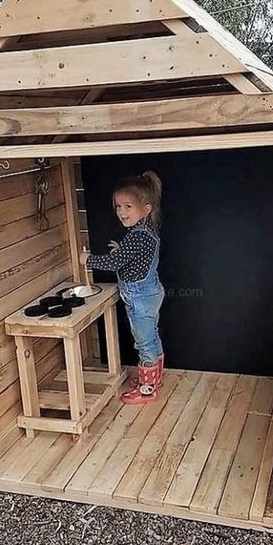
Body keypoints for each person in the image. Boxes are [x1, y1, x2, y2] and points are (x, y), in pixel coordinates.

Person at [80, 171, 165, 405]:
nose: (121, 212)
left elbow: (115, 263)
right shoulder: (144, 232)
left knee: (144, 341)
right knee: (152, 336)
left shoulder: (136, 237)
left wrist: (88, 260)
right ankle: (155, 377)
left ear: (146, 208)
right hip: (150, 292)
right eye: (118, 206)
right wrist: (122, 249)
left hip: (140, 296)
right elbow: (134, 257)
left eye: (128, 206)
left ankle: (148, 388)